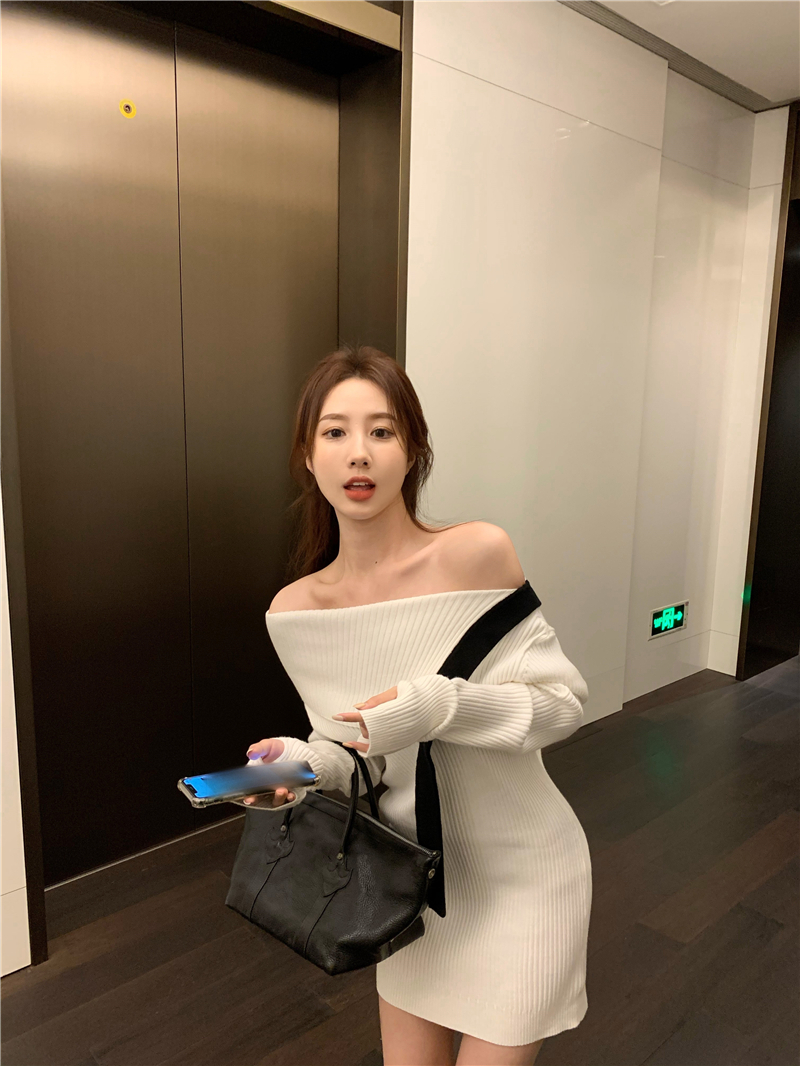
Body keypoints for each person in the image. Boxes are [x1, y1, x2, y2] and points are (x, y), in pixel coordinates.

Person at [242, 344, 592, 1066]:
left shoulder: (476, 555)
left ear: (413, 450)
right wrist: (299, 764)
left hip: (524, 874)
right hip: (408, 889)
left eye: (382, 430)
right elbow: (352, 754)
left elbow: (561, 706)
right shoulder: (295, 612)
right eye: (335, 432)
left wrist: (437, 706)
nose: (359, 453)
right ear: (307, 455)